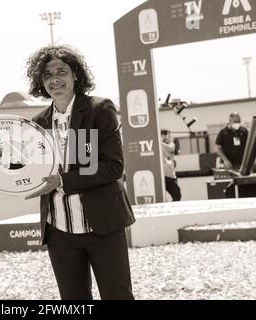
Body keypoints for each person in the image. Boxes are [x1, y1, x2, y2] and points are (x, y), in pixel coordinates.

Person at [24, 45, 135, 300]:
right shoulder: (38, 122)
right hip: (59, 230)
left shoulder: (99, 108)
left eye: (61, 71)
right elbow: (35, 170)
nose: (54, 79)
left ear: (76, 74)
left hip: (102, 225)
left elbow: (113, 166)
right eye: (47, 75)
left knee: (117, 295)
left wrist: (63, 180)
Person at [161, 129, 181, 201]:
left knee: (177, 195)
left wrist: (159, 142)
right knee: (161, 197)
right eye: (167, 135)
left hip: (170, 176)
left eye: (169, 135)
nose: (169, 137)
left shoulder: (171, 144)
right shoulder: (157, 145)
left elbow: (171, 148)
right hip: (162, 177)